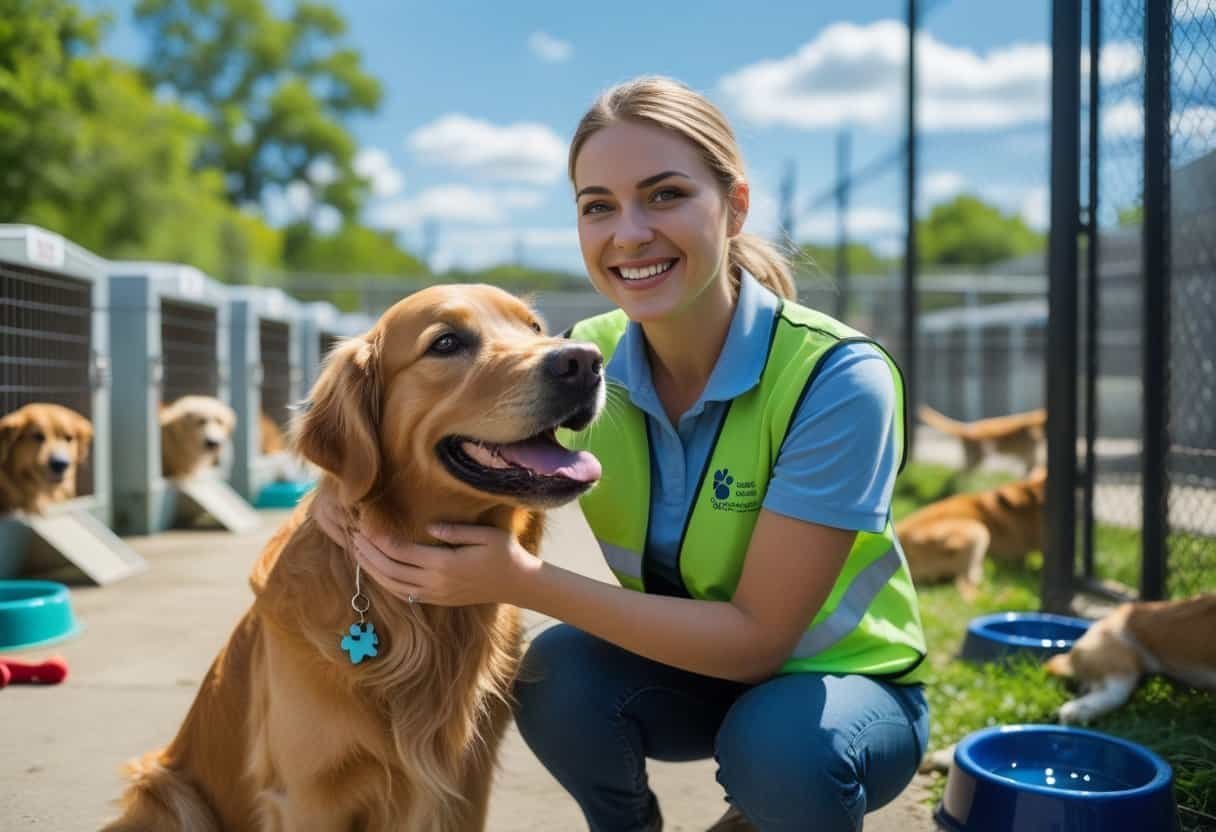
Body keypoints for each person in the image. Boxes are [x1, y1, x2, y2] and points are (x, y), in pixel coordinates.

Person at [312, 76, 929, 832]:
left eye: (665, 195)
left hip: (841, 690)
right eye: (597, 206)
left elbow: (759, 642)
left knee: (783, 753)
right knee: (552, 674)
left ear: (734, 207)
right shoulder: (580, 366)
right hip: (688, 667)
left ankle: (773, 813)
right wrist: (342, 488)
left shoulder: (836, 378)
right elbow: (428, 433)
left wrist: (520, 581)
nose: (628, 233)